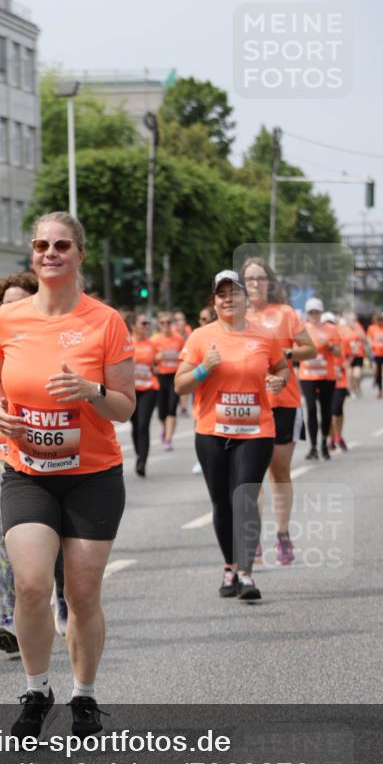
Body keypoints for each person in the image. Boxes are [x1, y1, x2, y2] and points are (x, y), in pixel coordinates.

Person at [0, 211, 135, 739]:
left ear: (79, 254)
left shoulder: (105, 321)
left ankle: (84, 697)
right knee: (29, 584)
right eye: (42, 244)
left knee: (84, 591)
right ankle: (35, 688)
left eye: (62, 245)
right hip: (26, 469)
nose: (50, 253)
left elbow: (124, 407)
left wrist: (90, 392)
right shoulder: (8, 319)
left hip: (92, 473)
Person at [175, 270, 289, 602]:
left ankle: (246, 572)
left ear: (245, 299)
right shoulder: (200, 337)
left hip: (256, 431)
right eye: (221, 294)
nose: (228, 298)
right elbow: (180, 385)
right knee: (222, 503)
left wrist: (279, 381)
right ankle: (229, 566)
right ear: (214, 300)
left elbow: (281, 367)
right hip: (211, 432)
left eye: (235, 292)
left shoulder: (265, 336)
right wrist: (203, 368)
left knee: (245, 497)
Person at [0, 273, 41, 654]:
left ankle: (62, 598)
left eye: (21, 302)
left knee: (58, 545)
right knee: (7, 540)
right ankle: (8, 619)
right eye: (6, 303)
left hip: (54, 456)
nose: (12, 309)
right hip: (3, 453)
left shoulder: (53, 339)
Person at [241, 258, 317, 565]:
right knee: (251, 475)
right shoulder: (239, 317)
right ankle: (253, 537)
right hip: (249, 404)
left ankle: (283, 534)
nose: (255, 284)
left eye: (260, 278)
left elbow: (310, 349)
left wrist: (285, 352)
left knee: (279, 471)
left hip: (284, 402)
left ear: (270, 283)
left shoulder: (285, 314)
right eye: (249, 279)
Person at [298, 298, 341, 460]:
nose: (314, 315)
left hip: (326, 375)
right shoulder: (301, 329)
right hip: (307, 375)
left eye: (316, 312)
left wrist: (328, 345)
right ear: (307, 313)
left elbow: (338, 353)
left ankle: (324, 443)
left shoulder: (331, 329)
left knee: (325, 410)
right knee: (310, 409)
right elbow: (295, 351)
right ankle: (313, 446)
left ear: (321, 313)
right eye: (311, 312)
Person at [129, 311, 159, 477]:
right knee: (135, 426)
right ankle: (139, 453)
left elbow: (157, 364)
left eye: (148, 323)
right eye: (143, 323)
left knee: (143, 425)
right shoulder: (126, 343)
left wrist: (157, 365)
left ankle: (142, 461)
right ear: (133, 326)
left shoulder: (152, 344)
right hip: (131, 390)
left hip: (149, 388)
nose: (147, 326)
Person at [151, 312, 183, 451]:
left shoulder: (179, 339)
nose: (165, 325)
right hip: (160, 377)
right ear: (158, 325)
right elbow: (147, 360)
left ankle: (169, 438)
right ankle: (165, 429)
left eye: (168, 322)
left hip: (174, 377)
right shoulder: (154, 340)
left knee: (172, 408)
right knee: (161, 413)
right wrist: (156, 358)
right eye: (162, 323)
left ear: (172, 324)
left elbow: (184, 357)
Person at [326, 313, 349, 452]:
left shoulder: (341, 340)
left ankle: (338, 436)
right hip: (324, 381)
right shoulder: (316, 341)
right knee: (328, 412)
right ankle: (332, 438)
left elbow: (346, 357)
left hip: (340, 381)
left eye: (331, 324)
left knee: (337, 411)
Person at [368, 312, 383, 398]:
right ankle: (380, 390)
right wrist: (371, 345)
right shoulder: (372, 328)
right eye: (377, 321)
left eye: (380, 320)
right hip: (377, 352)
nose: (379, 323)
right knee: (378, 372)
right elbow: (369, 338)